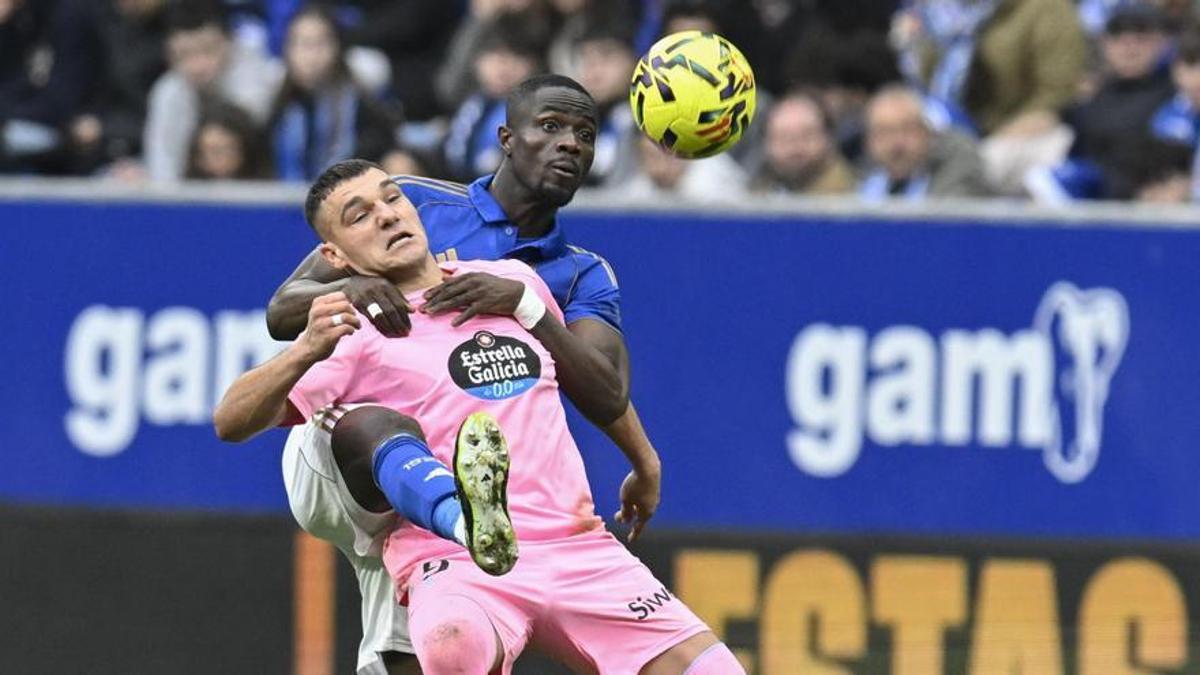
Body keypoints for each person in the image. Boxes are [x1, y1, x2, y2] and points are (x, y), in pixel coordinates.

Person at [215, 158, 743, 674]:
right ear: (334, 255)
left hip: (576, 544)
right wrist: (304, 349)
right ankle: (464, 520)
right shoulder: (354, 330)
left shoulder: (510, 282)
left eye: (393, 198)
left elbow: (588, 383)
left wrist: (644, 462)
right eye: (359, 215)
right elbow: (231, 420)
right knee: (452, 646)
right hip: (457, 561)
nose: (387, 215)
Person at [265, 75, 664, 673]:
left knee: (444, 604)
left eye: (585, 134)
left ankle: (454, 530)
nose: (571, 145)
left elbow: (603, 389)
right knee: (404, 462)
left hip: (454, 465)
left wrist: (645, 459)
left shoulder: (579, 275)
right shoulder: (410, 203)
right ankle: (450, 516)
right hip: (342, 442)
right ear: (506, 138)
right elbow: (281, 310)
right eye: (551, 127)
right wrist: (355, 284)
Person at [143, 1, 281, 182]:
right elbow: (162, 172)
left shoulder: (264, 77)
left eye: (207, 50)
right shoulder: (168, 92)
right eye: (184, 54)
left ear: (230, 41)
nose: (198, 66)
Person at [268, 4, 399, 182]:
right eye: (301, 43)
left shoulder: (365, 109)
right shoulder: (276, 106)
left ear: (338, 48)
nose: (310, 56)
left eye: (320, 44)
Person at [860, 84, 991, 199]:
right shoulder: (863, 180)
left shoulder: (958, 172)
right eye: (883, 133)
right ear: (869, 141)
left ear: (927, 133)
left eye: (907, 130)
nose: (896, 145)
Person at [750, 91, 855, 195]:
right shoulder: (756, 195)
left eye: (807, 136)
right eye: (783, 138)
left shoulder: (856, 197)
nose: (794, 148)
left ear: (829, 138)